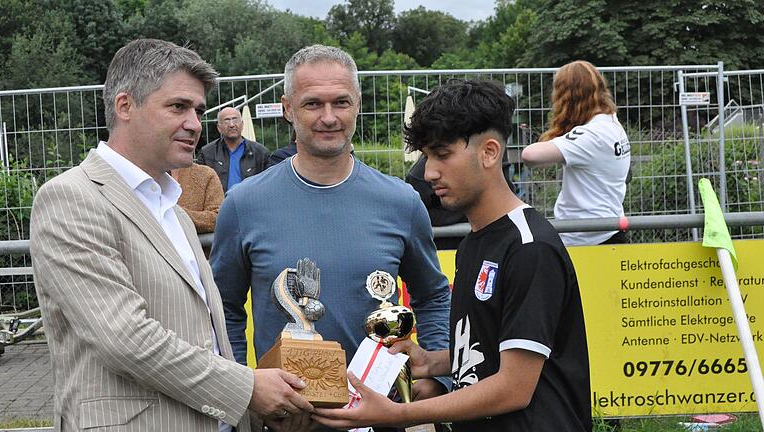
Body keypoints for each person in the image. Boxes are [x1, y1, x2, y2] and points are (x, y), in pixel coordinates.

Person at [29, 39, 312, 432]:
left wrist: (252, 413)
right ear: (124, 106)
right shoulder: (71, 198)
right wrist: (248, 390)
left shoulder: (172, 210)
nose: (195, 123)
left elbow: (208, 335)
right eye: (178, 107)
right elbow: (125, 339)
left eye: (198, 110)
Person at [313, 79, 591, 432]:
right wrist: (430, 363)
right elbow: (487, 351)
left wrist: (399, 414)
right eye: (427, 157)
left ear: (489, 152)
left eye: (442, 155)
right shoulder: (475, 242)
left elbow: (513, 388)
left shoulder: (528, 247)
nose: (429, 173)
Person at [211, 44, 451, 422]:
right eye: (312, 104)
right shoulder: (243, 204)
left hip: (380, 419)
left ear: (357, 103)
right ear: (288, 108)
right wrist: (243, 391)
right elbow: (223, 309)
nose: (329, 117)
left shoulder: (400, 201)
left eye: (341, 102)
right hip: (286, 424)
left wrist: (440, 377)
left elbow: (434, 295)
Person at [521, 60, 631, 246]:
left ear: (568, 97)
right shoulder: (611, 123)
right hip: (606, 232)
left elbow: (530, 156)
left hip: (587, 240)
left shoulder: (591, 135)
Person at [197, 106, 270, 191]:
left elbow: (268, 184)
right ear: (219, 127)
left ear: (242, 124)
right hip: (219, 203)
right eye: (226, 121)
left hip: (251, 201)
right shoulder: (207, 153)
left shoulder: (260, 153)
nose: (231, 125)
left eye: (235, 120)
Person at [172, 163, 224, 234]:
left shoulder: (205, 175)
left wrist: (177, 214)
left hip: (197, 243)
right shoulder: (152, 178)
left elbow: (218, 218)